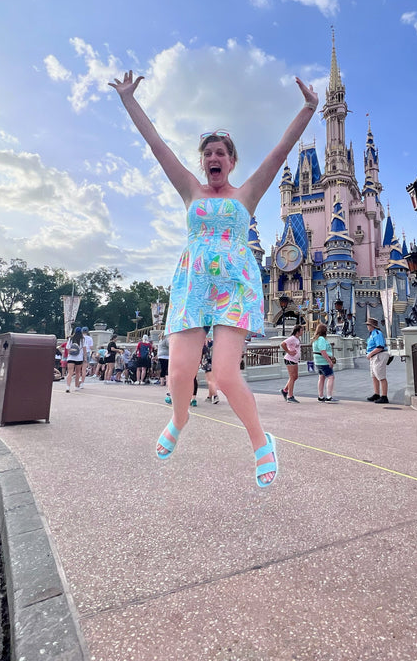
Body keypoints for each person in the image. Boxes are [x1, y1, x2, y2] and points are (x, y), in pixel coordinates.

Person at [109, 68, 318, 487]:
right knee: (178, 373)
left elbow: (281, 150)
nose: (213, 158)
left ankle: (262, 442)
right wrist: (129, 99)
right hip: (194, 283)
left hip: (236, 286)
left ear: (232, 160)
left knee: (223, 373)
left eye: (221, 152)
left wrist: (310, 108)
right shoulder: (190, 190)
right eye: (207, 153)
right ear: (202, 162)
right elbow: (156, 145)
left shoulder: (247, 194)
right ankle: (178, 419)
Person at [365, 317, 389, 404]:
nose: (367, 326)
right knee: (374, 375)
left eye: (368, 324)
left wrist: (370, 354)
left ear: (372, 325)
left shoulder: (377, 333)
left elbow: (380, 346)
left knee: (380, 376)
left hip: (379, 355)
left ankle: (384, 396)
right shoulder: (372, 334)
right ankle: (376, 393)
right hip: (374, 356)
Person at [312, 323, 337, 402]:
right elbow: (323, 351)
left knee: (321, 378)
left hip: (318, 361)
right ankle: (329, 397)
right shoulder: (321, 339)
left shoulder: (315, 339)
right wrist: (329, 361)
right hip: (323, 361)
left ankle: (321, 396)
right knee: (331, 377)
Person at [280, 325, 302, 403]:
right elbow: (283, 344)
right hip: (290, 359)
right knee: (292, 377)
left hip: (294, 360)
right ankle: (290, 396)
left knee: (295, 377)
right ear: (298, 331)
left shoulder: (297, 339)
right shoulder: (292, 338)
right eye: (301, 330)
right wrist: (288, 351)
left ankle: (285, 390)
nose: (302, 332)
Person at [65, 327, 87, 392]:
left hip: (71, 357)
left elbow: (68, 348)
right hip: (79, 358)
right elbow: (84, 349)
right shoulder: (82, 339)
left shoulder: (70, 339)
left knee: (70, 373)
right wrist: (85, 358)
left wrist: (69, 354)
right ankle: (76, 386)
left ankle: (68, 387)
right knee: (78, 373)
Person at [201, 338, 220, 404]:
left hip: (208, 362)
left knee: (210, 381)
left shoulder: (204, 342)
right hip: (215, 361)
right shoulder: (214, 341)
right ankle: (209, 396)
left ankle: (215, 396)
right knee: (212, 380)